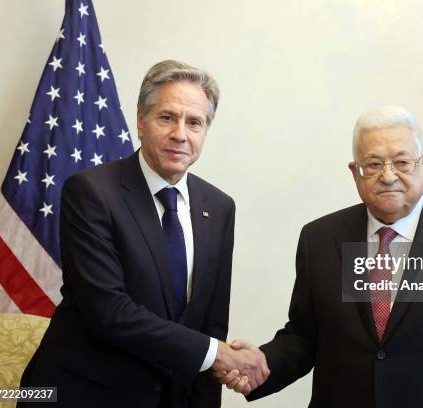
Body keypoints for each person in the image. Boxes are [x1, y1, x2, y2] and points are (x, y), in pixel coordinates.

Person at [217, 106, 423, 407]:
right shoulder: (320, 239)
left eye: (402, 162)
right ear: (355, 173)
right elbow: (304, 337)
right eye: (374, 164)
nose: (388, 176)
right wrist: (260, 364)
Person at [18, 60, 268, 408]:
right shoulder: (90, 192)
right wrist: (218, 354)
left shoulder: (219, 207)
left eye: (194, 122)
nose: (180, 134)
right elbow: (110, 312)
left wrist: (212, 376)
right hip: (85, 395)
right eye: (167, 117)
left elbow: (211, 322)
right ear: (141, 120)